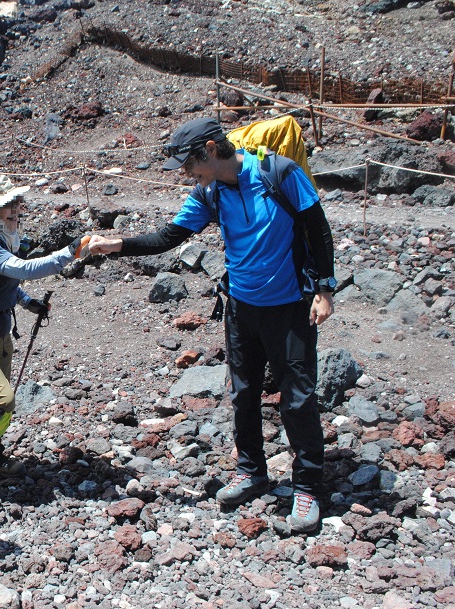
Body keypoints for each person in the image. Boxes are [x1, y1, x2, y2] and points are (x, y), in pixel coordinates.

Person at [87, 117, 336, 533]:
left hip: (290, 306)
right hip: (240, 306)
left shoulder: (280, 174)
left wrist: (325, 290)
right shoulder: (208, 192)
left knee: (297, 397)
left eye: (189, 164)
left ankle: (307, 486)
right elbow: (170, 236)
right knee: (243, 392)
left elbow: (318, 228)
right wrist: (118, 245)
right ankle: (251, 470)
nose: (187, 174)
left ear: (212, 149)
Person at [0, 174, 89, 486]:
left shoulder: (4, 239)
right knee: (3, 397)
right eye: (7, 205)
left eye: (16, 203)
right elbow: (24, 269)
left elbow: (4, 284)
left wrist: (29, 304)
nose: (15, 209)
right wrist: (71, 252)